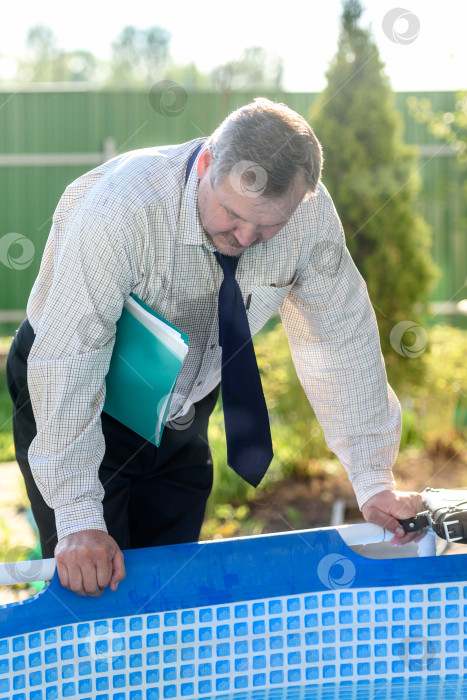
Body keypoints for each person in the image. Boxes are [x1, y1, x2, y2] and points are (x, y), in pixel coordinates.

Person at [7, 98, 423, 597]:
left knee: (167, 586)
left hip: (182, 400)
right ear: (205, 164)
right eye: (232, 214)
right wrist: (76, 519)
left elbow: (339, 339)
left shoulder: (309, 217)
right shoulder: (121, 210)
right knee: (94, 581)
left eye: (269, 225)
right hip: (75, 386)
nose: (246, 237)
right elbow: (68, 360)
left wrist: (373, 480)